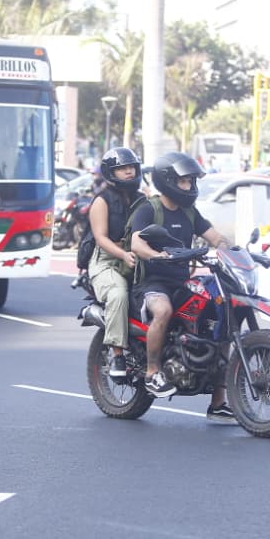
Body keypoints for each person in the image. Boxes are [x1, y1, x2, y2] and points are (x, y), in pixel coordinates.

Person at [128, 151, 232, 419]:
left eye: (191, 181)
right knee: (162, 311)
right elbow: (137, 242)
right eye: (184, 181)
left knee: (220, 320)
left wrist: (231, 250)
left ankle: (218, 402)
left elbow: (214, 236)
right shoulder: (149, 209)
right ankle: (152, 372)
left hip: (182, 282)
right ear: (168, 181)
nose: (190, 187)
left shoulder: (189, 212)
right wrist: (156, 255)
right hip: (152, 283)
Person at [86, 147, 143, 378]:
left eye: (131, 167)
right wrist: (123, 255)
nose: (129, 172)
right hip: (107, 260)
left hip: (137, 255)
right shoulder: (102, 200)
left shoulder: (142, 199)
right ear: (111, 172)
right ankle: (118, 355)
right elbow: (101, 238)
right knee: (119, 293)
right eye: (122, 169)